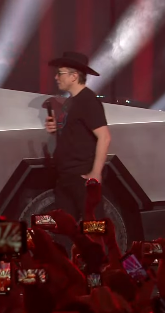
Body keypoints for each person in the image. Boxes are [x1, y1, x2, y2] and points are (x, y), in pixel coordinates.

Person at [44, 51, 111, 220]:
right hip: (66, 177)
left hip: (82, 177)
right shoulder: (71, 102)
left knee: (93, 227)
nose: (56, 77)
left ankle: (98, 248)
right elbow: (74, 132)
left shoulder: (88, 100)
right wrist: (55, 128)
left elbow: (104, 136)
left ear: (74, 76)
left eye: (60, 73)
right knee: (66, 229)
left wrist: (95, 173)